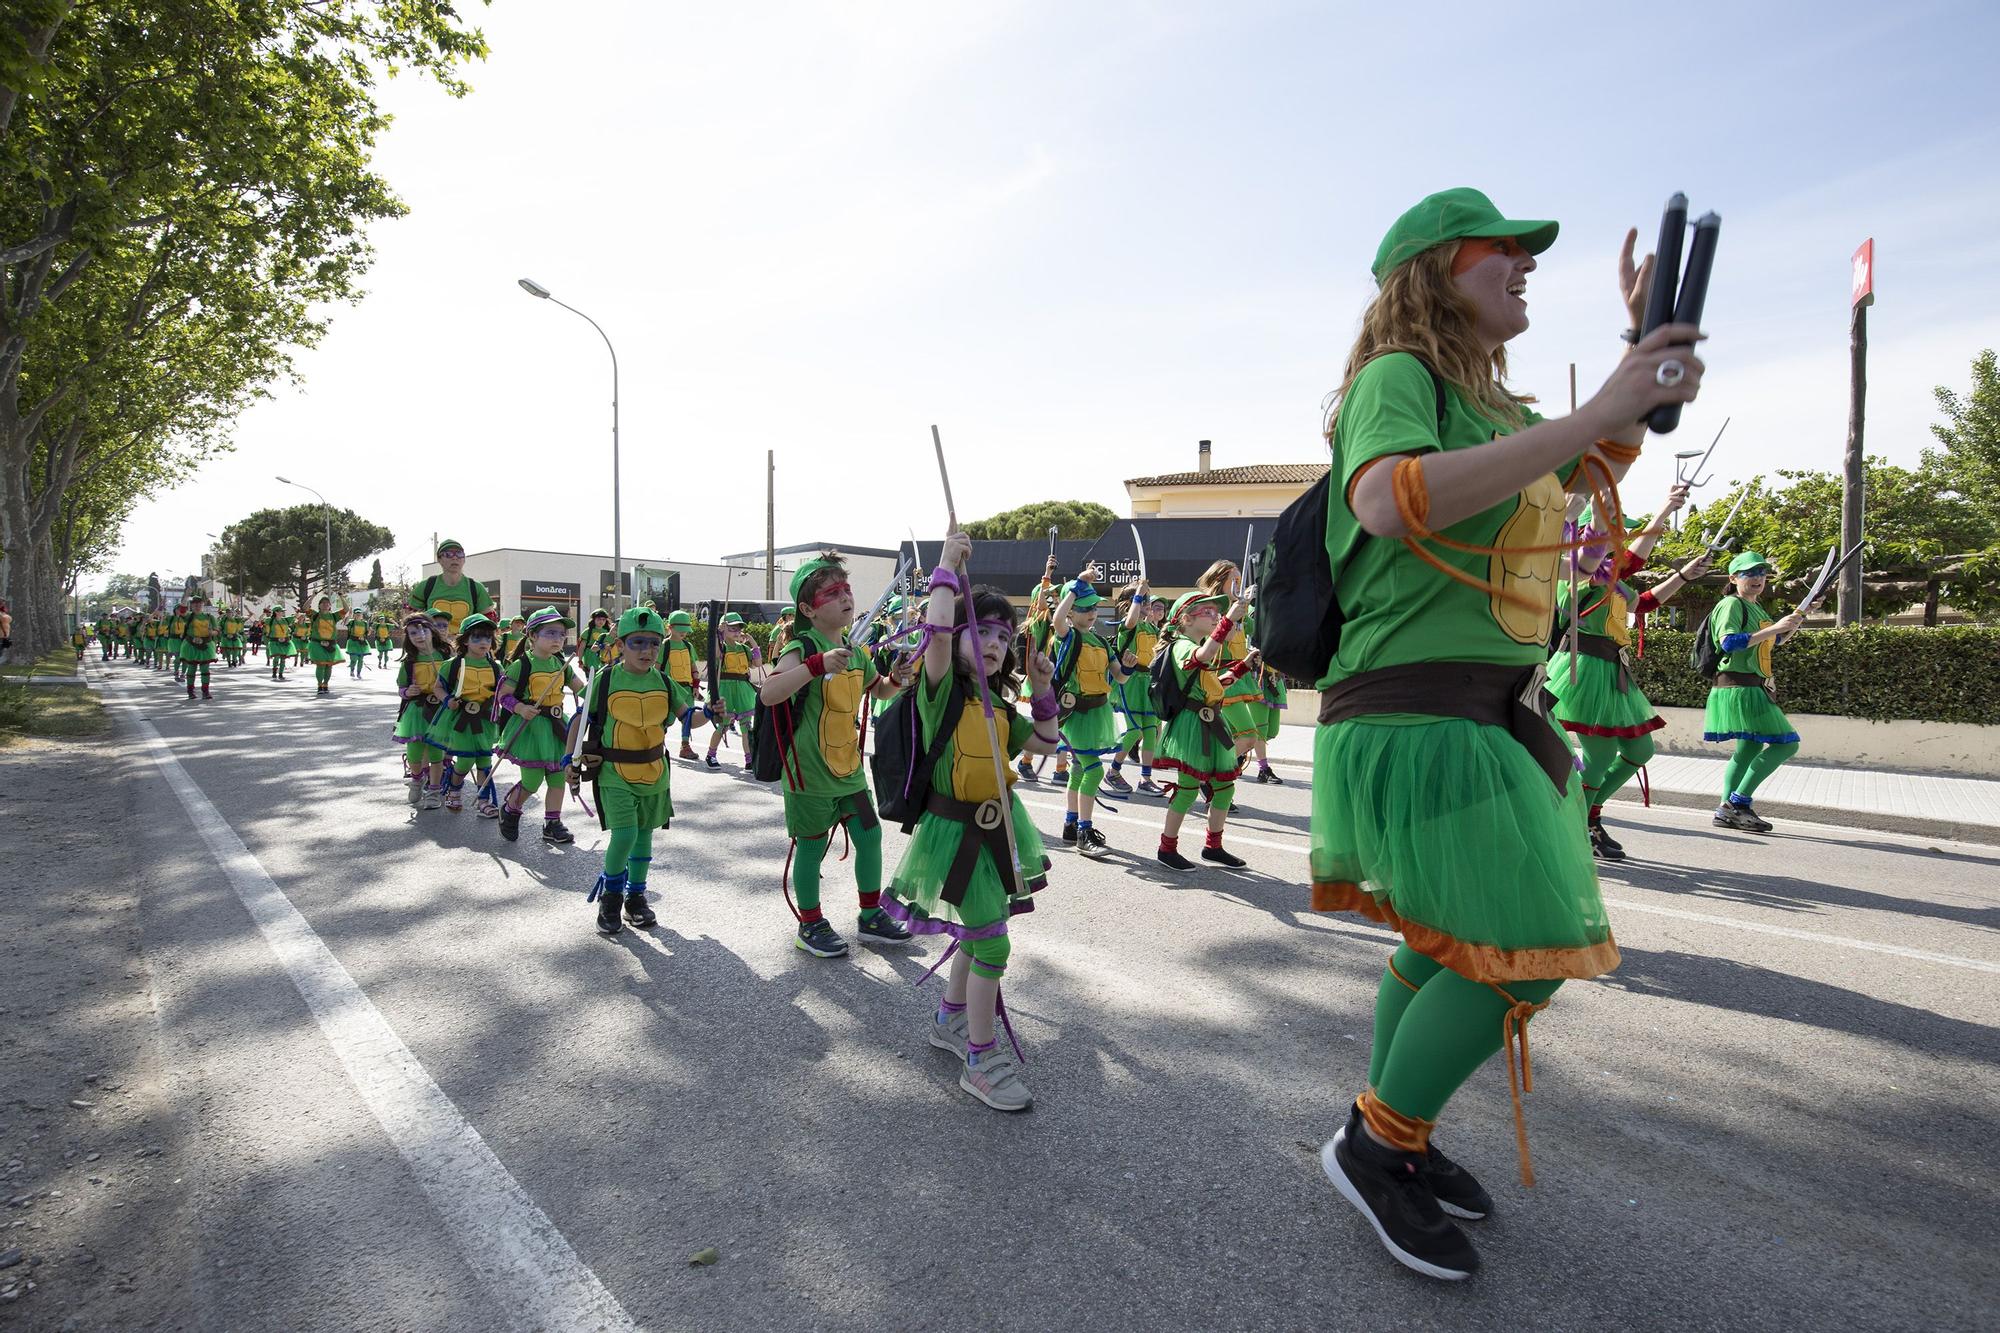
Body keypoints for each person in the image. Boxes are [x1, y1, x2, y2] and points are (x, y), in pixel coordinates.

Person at [1308, 187, 1704, 1281]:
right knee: (1525, 951)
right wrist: (1592, 410)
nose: (1524, 267)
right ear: (1436, 270)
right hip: (1411, 707)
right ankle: (1375, 1143)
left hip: (1477, 709)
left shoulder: (1490, 407)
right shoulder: (1397, 378)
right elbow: (1388, 501)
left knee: (1442, 939)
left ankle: (1401, 1134)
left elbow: (1592, 463)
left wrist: (1638, 351)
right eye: (1503, 253)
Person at [882, 531, 1060, 1111]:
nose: (991, 642)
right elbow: (934, 638)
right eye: (979, 630)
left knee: (976, 932)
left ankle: (950, 1019)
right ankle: (980, 1058)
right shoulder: (941, 694)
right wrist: (943, 569)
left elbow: (1047, 744)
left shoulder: (1001, 708)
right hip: (953, 835)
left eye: (1002, 635)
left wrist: (1042, 691)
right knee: (993, 945)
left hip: (1000, 831)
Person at [757, 553, 913, 958]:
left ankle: (870, 916)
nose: (845, 597)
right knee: (811, 847)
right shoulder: (801, 645)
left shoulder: (855, 650)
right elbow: (769, 693)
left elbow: (878, 690)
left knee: (870, 835)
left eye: (847, 589)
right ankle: (810, 924)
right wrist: (814, 664)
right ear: (808, 608)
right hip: (807, 773)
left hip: (848, 770)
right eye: (832, 593)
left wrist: (897, 677)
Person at [1546, 488, 1709, 858]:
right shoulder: (1576, 573)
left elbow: (1644, 602)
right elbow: (1635, 559)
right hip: (1583, 669)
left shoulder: (1610, 578)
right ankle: (1581, 824)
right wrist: (1666, 507)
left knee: (1640, 749)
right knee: (1599, 757)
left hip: (1613, 671)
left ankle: (1587, 815)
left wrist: (1683, 574)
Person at [577, 607, 692, 935]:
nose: (647, 650)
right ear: (621, 644)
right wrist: (568, 760)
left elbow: (688, 717)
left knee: (643, 836)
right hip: (614, 771)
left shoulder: (664, 682)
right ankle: (611, 899)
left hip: (655, 771)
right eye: (638, 642)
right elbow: (581, 719)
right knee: (625, 833)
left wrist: (710, 712)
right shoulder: (607, 679)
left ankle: (635, 900)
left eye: (654, 643)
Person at [1702, 551, 1804, 833]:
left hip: (1751, 686)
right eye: (1749, 573)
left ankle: (1726, 810)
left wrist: (1792, 623)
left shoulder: (1756, 608)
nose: (1758, 577)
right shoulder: (1730, 604)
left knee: (1749, 747)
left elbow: (1775, 640)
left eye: (1761, 572)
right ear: (1734, 578)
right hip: (1740, 686)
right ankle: (1738, 803)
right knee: (1787, 743)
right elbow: (1730, 642)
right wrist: (1776, 628)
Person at [1151, 590, 1253, 871]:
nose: (1214, 615)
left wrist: (1243, 667)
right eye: (1206, 612)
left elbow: (1211, 685)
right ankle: (1166, 848)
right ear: (1185, 619)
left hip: (1210, 723)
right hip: (1191, 727)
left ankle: (1213, 847)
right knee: (1187, 789)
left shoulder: (1194, 646)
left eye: (1216, 612)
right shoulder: (1183, 646)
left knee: (1224, 788)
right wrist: (1229, 620)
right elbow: (1205, 654)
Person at [1048, 567, 1124, 857]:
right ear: (1071, 612)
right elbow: (1056, 620)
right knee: (1093, 771)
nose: (1090, 612)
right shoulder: (1067, 637)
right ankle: (1084, 831)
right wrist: (1076, 586)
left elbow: (1120, 677)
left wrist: (1127, 664)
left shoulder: (1103, 641)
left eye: (1093, 606)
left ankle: (1070, 825)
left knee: (1079, 771)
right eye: (1082, 607)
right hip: (1076, 714)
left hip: (1098, 711)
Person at [493, 607, 584, 844]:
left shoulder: (562, 664)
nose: (558, 639)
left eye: (562, 634)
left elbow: (581, 688)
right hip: (530, 729)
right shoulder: (521, 665)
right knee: (532, 782)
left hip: (556, 727)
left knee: (557, 778)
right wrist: (521, 708)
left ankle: (552, 823)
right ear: (532, 635)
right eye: (551, 633)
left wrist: (599, 687)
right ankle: (511, 809)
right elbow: (503, 696)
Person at [423, 612, 505, 816]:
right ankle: (454, 790)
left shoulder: (497, 667)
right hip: (460, 718)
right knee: (466, 760)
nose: (483, 642)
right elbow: (438, 688)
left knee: (485, 761)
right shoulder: (453, 665)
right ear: (465, 640)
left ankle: (484, 801)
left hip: (485, 720)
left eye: (487, 637)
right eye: (476, 637)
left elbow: (504, 692)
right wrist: (447, 700)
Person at [1105, 585, 1165, 796]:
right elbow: (1131, 620)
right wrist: (1138, 594)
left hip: (1148, 683)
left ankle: (1145, 778)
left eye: (1148, 600)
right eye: (1143, 600)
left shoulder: (1153, 629)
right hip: (1130, 682)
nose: (1147, 604)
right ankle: (1113, 771)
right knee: (1134, 730)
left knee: (1150, 731)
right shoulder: (1128, 626)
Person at [392, 613, 449, 808]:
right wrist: (408, 691)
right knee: (414, 753)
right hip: (416, 711)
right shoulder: (409, 662)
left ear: (432, 631)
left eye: (423, 630)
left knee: (436, 754)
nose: (419, 635)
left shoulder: (446, 655)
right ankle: (416, 779)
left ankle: (434, 790)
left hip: (440, 711)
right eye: (413, 632)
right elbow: (401, 688)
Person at [703, 611, 762, 769]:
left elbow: (757, 663)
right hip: (726, 689)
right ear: (723, 629)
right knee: (723, 725)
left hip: (743, 691)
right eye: (732, 628)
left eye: (738, 629)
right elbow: (714, 655)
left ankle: (749, 760)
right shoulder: (721, 648)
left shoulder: (743, 649)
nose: (737, 632)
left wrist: (752, 642)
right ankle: (711, 755)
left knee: (746, 727)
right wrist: (718, 634)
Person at [410, 539, 494, 636]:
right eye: (448, 554)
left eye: (459, 554)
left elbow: (487, 621)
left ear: (464, 559)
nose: (455, 558)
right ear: (439, 559)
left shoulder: (476, 587)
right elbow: (412, 619)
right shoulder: (426, 586)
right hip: (433, 646)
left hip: (464, 647)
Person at [661, 609, 707, 760]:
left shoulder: (688, 646)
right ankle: (658, 742)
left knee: (688, 718)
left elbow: (693, 667)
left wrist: (695, 686)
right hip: (669, 689)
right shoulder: (664, 646)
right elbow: (656, 668)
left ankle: (685, 746)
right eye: (680, 630)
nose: (683, 633)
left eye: (685, 630)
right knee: (665, 719)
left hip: (686, 689)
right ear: (670, 628)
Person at [302, 594, 348, 696]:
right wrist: (313, 596)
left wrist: (341, 597)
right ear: (319, 605)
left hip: (331, 644)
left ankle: (326, 685)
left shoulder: (334, 616)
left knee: (329, 666)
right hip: (317, 644)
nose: (325, 604)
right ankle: (319, 685)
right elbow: (305, 608)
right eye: (323, 603)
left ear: (330, 606)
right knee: (321, 665)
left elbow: (346, 609)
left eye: (327, 603)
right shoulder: (314, 615)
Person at [179, 596, 220, 699]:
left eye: (200, 604)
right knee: (191, 668)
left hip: (205, 645)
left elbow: (217, 631)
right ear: (192, 606)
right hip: (191, 645)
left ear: (203, 605)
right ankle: (190, 691)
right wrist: (186, 596)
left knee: (205, 669)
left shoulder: (209, 617)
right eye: (195, 604)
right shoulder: (189, 616)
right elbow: (182, 610)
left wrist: (212, 632)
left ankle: (205, 691)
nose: (197, 606)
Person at [266, 606, 293, 679]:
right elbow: (259, 620)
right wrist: (265, 612)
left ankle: (281, 673)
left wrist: (297, 611)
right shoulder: (270, 620)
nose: (282, 612)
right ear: (276, 612)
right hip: (274, 641)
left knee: (283, 658)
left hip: (285, 641)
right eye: (281, 611)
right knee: (277, 657)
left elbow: (298, 616)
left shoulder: (286, 620)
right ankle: (274, 672)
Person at [344, 608, 372, 679]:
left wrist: (369, 632)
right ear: (354, 615)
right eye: (357, 614)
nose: (358, 615)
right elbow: (346, 623)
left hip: (361, 642)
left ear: (362, 615)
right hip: (353, 642)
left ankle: (359, 673)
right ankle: (352, 670)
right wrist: (349, 615)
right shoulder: (351, 622)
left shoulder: (365, 623)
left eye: (360, 614)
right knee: (354, 658)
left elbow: (367, 633)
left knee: (360, 659)